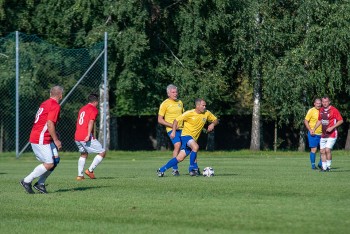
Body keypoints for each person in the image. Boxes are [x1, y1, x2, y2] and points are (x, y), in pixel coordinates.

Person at [157, 98, 218, 177]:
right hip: (186, 136)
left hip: (193, 139)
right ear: (197, 106)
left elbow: (216, 120)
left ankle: (161, 170)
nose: (205, 107)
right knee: (195, 147)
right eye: (203, 105)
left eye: (205, 105)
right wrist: (174, 131)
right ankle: (192, 169)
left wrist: (213, 124)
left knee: (179, 158)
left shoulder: (207, 113)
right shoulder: (189, 113)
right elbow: (176, 121)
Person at [20, 85, 63, 194]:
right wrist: (56, 140)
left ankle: (40, 184)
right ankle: (26, 181)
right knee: (49, 163)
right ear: (61, 95)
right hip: (41, 138)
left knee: (55, 161)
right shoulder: (55, 105)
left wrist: (54, 134)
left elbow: (45, 122)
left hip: (42, 136)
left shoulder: (45, 103)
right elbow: (49, 123)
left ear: (50, 94)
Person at [75, 93, 106, 180]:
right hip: (85, 135)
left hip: (77, 135)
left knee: (83, 154)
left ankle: (80, 176)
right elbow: (91, 122)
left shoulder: (82, 109)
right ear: (95, 102)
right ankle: (90, 170)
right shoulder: (93, 109)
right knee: (102, 152)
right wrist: (88, 134)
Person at [158, 84, 184, 176]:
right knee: (177, 145)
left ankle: (194, 168)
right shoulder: (165, 104)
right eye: (173, 92)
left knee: (192, 145)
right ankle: (175, 169)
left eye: (176, 92)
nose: (175, 94)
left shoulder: (180, 102)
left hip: (182, 129)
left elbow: (183, 116)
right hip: (171, 129)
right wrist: (172, 126)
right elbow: (160, 120)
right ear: (168, 93)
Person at [312, 96, 343, 172]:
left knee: (327, 150)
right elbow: (320, 120)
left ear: (329, 102)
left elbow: (341, 120)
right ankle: (324, 168)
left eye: (326, 102)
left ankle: (328, 166)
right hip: (324, 134)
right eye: (323, 102)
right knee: (322, 151)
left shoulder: (334, 110)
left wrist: (332, 127)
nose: (324, 103)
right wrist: (314, 129)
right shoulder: (321, 110)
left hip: (332, 134)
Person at [304, 98, 322, 170]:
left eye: (319, 103)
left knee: (323, 150)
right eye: (317, 103)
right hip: (313, 134)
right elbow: (305, 121)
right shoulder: (311, 111)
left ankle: (321, 164)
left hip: (322, 134)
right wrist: (310, 130)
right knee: (313, 149)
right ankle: (313, 165)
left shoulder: (323, 110)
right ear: (314, 104)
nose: (318, 105)